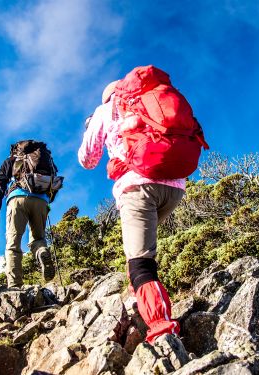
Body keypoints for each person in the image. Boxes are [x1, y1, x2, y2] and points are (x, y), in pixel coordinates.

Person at [78, 80, 186, 344]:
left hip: (137, 188)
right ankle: (137, 298)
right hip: (175, 186)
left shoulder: (106, 110)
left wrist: (96, 131)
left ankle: (161, 327)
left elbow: (87, 159)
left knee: (140, 261)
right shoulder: (151, 101)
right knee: (135, 249)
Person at [0, 140, 58, 288]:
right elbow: (54, 181)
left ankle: (15, 285)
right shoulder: (45, 159)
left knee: (13, 244)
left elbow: (0, 183)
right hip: (41, 201)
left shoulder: (12, 160)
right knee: (38, 238)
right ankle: (41, 251)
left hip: (17, 198)